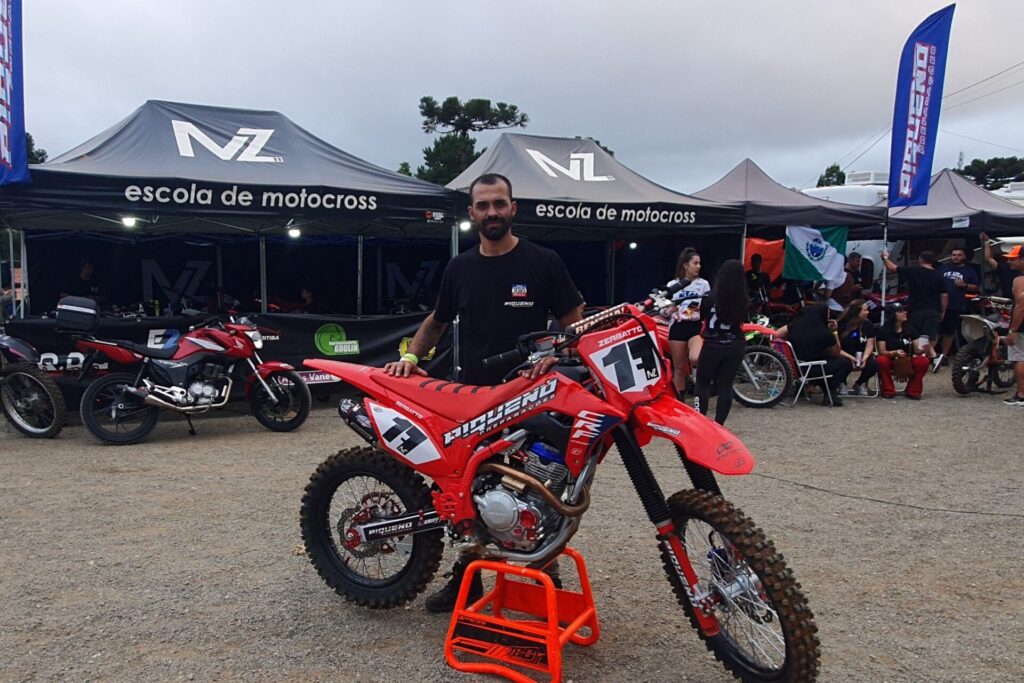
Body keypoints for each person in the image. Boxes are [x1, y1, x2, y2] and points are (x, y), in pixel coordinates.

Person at [384, 173, 583, 612]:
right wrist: (412, 359)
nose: (492, 212)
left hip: (532, 397)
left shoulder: (543, 261)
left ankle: (545, 577)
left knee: (541, 489)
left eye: (499, 203)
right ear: (471, 213)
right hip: (472, 398)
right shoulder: (460, 267)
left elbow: (574, 321)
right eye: (483, 205)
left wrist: (559, 353)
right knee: (468, 490)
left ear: (513, 208)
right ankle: (467, 578)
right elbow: (436, 321)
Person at [692, 259, 748, 425]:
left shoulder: (709, 296)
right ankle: (719, 424)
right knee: (726, 385)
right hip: (735, 343)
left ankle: (700, 420)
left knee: (702, 383)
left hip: (712, 343)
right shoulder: (743, 299)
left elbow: (702, 317)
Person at [775, 303, 852, 406]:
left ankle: (804, 387)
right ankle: (830, 393)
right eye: (828, 313)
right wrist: (834, 332)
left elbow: (775, 335)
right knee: (844, 363)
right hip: (811, 369)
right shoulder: (825, 333)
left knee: (826, 363)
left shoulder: (793, 326)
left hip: (794, 367)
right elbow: (836, 353)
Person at [881, 249, 945, 370]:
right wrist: (943, 310)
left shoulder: (914, 271)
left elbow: (892, 267)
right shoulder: (938, 275)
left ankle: (929, 356)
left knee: (916, 333)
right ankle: (927, 358)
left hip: (916, 308)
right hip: (934, 308)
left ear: (920, 259)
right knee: (929, 334)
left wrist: (884, 257)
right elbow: (944, 295)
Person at [665, 248, 710, 398]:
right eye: (695, 263)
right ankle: (680, 400)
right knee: (679, 368)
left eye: (700, 263)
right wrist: (669, 309)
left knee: (695, 358)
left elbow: (707, 306)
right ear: (685, 265)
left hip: (694, 326)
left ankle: (702, 388)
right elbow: (663, 311)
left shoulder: (703, 284)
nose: (699, 266)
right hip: (677, 327)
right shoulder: (673, 284)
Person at [875, 301, 930, 399]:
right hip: (891, 359)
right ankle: (888, 390)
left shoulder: (910, 329)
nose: (905, 313)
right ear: (893, 315)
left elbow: (917, 350)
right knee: (881, 360)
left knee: (923, 361)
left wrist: (923, 349)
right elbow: (882, 351)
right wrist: (894, 352)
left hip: (907, 359)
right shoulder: (883, 330)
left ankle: (913, 390)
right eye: (901, 311)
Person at [937, 247, 980, 366]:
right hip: (939, 304)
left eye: (959, 255)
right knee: (935, 330)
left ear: (964, 257)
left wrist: (965, 285)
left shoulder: (969, 271)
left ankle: (943, 355)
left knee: (949, 331)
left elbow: (977, 288)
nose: (956, 257)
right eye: (954, 254)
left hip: (956, 304)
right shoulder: (943, 268)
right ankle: (931, 355)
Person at [835, 299, 878, 396]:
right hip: (844, 354)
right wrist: (851, 358)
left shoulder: (868, 324)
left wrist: (865, 357)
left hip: (861, 354)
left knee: (874, 363)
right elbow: (837, 347)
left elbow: (870, 343)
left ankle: (860, 383)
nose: (868, 312)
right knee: (843, 362)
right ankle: (842, 382)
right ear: (857, 311)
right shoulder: (841, 325)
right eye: (865, 310)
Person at [1001, 244, 1024, 406]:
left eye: (1013, 259)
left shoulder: (1020, 280)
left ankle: (1021, 394)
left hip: (1022, 326)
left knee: (1019, 358)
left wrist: (1013, 329)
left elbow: (1021, 305)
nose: (1009, 263)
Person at [980, 233, 1019, 298]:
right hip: (1008, 301)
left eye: (1012, 259)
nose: (1008, 261)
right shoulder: (1004, 268)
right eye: (1008, 259)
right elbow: (988, 259)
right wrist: (986, 242)